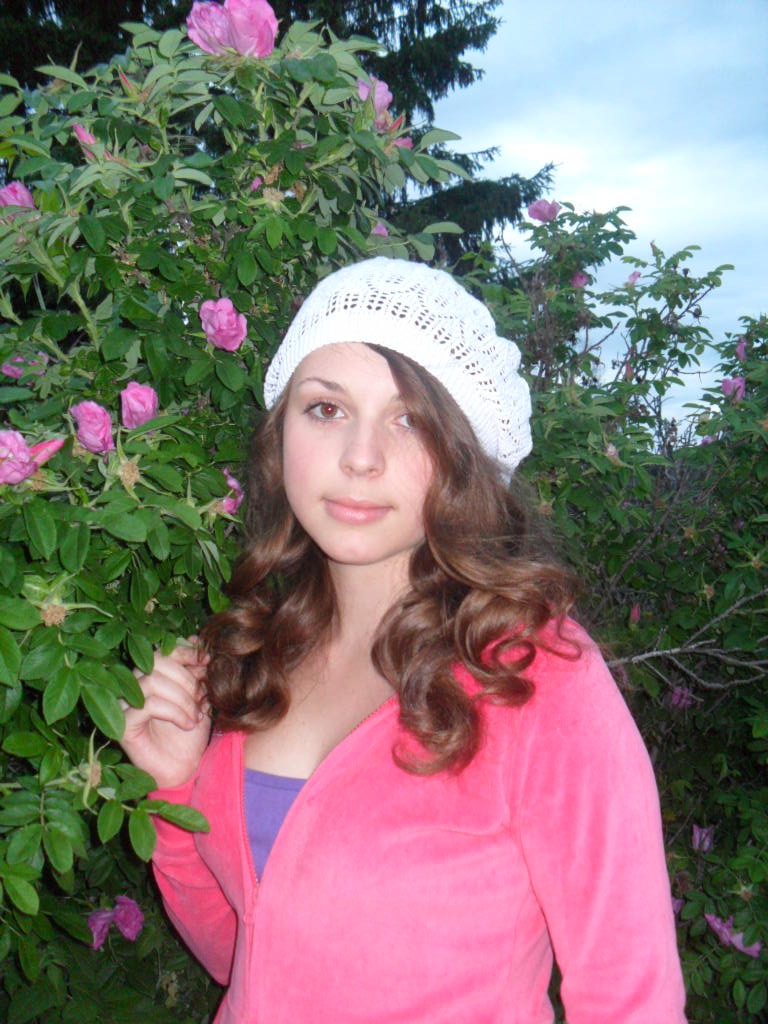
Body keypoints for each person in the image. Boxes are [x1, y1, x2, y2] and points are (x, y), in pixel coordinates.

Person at [120, 257, 687, 1023]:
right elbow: (246, 959)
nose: (361, 457)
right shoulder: (256, 655)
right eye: (326, 409)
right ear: (280, 434)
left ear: (461, 455)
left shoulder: (534, 676)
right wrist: (175, 789)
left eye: (408, 419)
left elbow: (631, 1002)